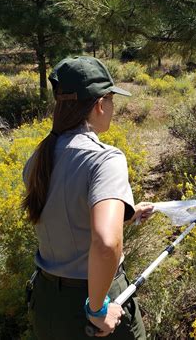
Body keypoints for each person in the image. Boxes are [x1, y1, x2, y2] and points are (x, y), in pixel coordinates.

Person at [22, 56, 153, 339]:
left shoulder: (38, 158)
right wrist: (97, 310)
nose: (113, 108)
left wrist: (127, 215)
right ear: (99, 104)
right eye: (111, 100)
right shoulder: (105, 158)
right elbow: (106, 244)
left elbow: (64, 217)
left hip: (47, 302)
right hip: (93, 299)